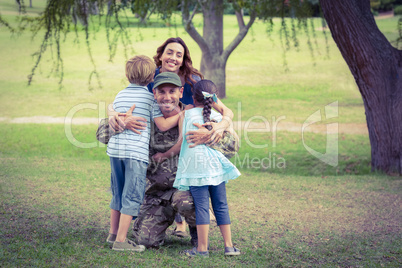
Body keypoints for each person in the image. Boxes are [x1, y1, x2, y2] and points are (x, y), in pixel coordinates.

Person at [106, 56, 182, 252]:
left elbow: (112, 111)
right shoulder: (149, 99)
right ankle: (121, 241)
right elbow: (162, 124)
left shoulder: (119, 95)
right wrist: (182, 115)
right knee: (132, 195)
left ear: (126, 74)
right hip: (135, 154)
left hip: (115, 152)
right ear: (151, 79)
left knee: (118, 193)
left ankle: (112, 234)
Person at [173, 80, 241, 257]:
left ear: (193, 98)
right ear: (214, 98)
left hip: (196, 168)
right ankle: (229, 246)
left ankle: (202, 249)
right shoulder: (219, 119)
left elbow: (181, 143)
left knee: (202, 207)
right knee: (221, 205)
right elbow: (232, 138)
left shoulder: (185, 115)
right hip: (216, 168)